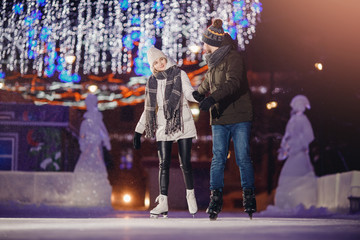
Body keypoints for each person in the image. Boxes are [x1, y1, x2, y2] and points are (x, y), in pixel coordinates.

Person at [192, 19, 256, 220]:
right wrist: (197, 94)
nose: (203, 47)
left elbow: (232, 84)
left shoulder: (233, 58)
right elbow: (207, 82)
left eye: (205, 43)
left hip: (239, 116)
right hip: (219, 117)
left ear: (213, 42)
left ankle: (248, 197)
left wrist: (211, 98)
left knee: (242, 157)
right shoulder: (213, 62)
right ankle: (215, 198)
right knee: (218, 158)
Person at [133, 47, 198, 218]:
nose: (160, 63)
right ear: (152, 66)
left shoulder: (179, 74)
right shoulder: (152, 81)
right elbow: (148, 110)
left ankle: (190, 194)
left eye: (161, 59)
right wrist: (138, 131)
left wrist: (197, 96)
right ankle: (163, 202)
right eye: (155, 62)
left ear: (165, 57)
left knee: (185, 162)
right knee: (164, 164)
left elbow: (189, 93)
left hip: (182, 121)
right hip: (163, 124)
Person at [276, 95, 317, 209]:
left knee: (298, 172)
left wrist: (299, 143)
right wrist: (284, 146)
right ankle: (286, 202)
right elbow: (287, 135)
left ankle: (300, 202)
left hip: (299, 152)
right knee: (287, 173)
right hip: (292, 152)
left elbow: (309, 136)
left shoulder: (303, 119)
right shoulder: (292, 120)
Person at [73, 94, 112, 207]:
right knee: (84, 168)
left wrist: (105, 142)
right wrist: (83, 145)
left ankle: (96, 195)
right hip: (88, 150)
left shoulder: (96, 120)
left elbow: (103, 133)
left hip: (94, 149)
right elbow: (82, 136)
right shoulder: (86, 122)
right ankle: (82, 194)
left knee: (96, 167)